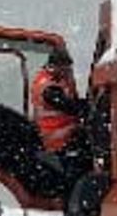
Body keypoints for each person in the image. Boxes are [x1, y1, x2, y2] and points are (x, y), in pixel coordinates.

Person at [31, 48, 90, 184]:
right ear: (55, 66)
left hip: (63, 136)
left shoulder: (56, 80)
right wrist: (87, 108)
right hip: (56, 140)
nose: (68, 71)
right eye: (65, 68)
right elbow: (67, 105)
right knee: (76, 171)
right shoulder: (47, 85)